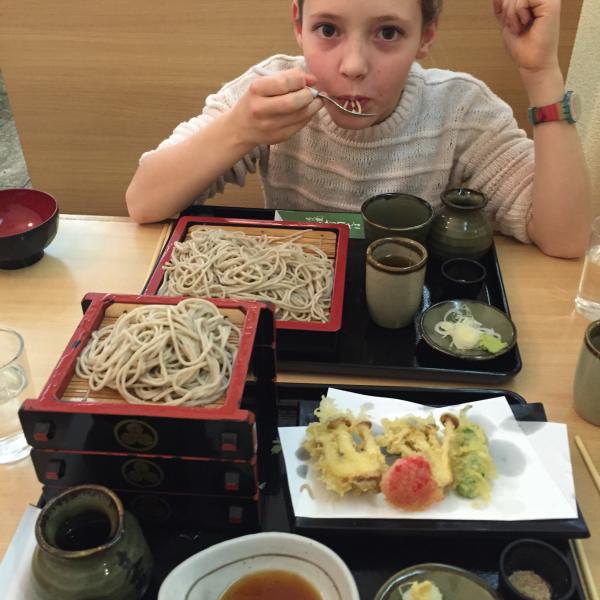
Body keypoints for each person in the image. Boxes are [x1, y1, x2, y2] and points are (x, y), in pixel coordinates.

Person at [126, 0, 591, 258]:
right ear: (298, 24)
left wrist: (541, 73)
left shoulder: (459, 107)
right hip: (292, 299)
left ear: (426, 36)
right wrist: (239, 129)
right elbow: (144, 202)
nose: (353, 66)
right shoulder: (268, 91)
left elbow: (566, 238)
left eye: (388, 33)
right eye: (328, 30)